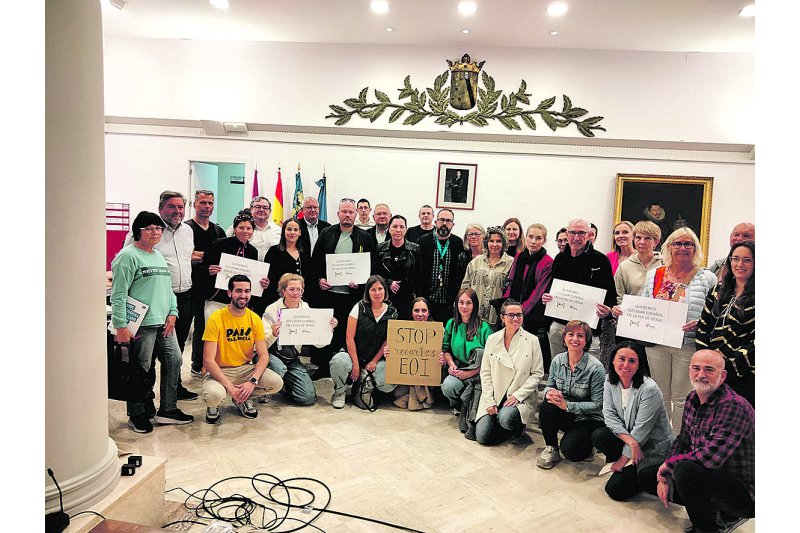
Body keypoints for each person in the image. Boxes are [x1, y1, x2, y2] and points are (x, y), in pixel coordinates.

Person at [642, 350, 755, 533]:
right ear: (689, 371)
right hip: (709, 476)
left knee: (685, 470)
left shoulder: (733, 406)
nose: (701, 375)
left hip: (744, 492)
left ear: (723, 375)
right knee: (648, 477)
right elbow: (682, 440)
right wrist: (667, 472)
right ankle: (715, 510)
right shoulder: (692, 398)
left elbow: (711, 458)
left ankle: (709, 527)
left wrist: (670, 466)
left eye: (709, 370)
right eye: (696, 368)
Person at [111, 211, 194, 433]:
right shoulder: (127, 256)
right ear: (138, 231)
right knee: (141, 370)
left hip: (164, 323)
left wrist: (173, 313)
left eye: (158, 228)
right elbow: (118, 294)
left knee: (175, 361)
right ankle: (137, 413)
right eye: (150, 228)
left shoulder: (157, 256)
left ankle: (168, 409)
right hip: (141, 325)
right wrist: (121, 326)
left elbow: (168, 290)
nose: (156, 232)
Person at [639, 228, 717, 433]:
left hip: (687, 344)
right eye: (678, 244)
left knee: (683, 396)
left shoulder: (707, 278)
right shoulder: (654, 274)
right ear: (669, 247)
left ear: (695, 248)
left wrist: (701, 323)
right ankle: (662, 437)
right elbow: (645, 305)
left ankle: (678, 440)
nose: (683, 248)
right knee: (660, 392)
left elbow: (715, 312)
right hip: (657, 344)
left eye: (688, 244)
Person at [123, 190, 197, 400]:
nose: (177, 211)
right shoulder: (145, 233)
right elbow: (130, 261)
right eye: (171, 207)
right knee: (148, 356)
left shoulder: (188, 231)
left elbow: (185, 259)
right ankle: (146, 398)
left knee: (176, 350)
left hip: (181, 298)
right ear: (161, 208)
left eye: (180, 207)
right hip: (152, 303)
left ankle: (174, 390)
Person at [590, 341, 673, 501]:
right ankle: (626, 466)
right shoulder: (609, 380)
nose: (626, 365)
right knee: (599, 435)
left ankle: (634, 469)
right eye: (621, 359)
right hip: (633, 442)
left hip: (651, 447)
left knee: (615, 490)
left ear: (639, 364)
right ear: (613, 360)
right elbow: (609, 415)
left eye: (632, 361)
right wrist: (632, 444)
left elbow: (641, 430)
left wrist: (623, 458)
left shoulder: (649, 389)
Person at [201, 275, 284, 424]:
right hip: (219, 370)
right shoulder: (216, 318)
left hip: (245, 369)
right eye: (238, 291)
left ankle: (243, 398)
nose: (243, 295)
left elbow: (264, 355)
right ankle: (214, 406)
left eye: (247, 291)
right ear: (229, 293)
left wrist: (252, 382)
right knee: (213, 396)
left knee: (276, 382)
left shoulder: (254, 318)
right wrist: (230, 387)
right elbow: (208, 360)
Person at [311, 198, 375, 378]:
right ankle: (323, 366)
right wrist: (319, 279)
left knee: (347, 332)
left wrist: (361, 282)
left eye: (350, 212)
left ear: (356, 214)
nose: (347, 215)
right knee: (325, 330)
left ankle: (344, 367)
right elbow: (315, 261)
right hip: (328, 293)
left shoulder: (365, 237)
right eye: (344, 211)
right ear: (338, 213)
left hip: (352, 296)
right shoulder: (326, 233)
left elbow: (371, 266)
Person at [542, 218, 616, 360]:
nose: (576, 237)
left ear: (589, 235)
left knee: (587, 372)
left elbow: (611, 295)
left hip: (589, 327)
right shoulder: (559, 259)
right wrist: (548, 298)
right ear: (567, 234)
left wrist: (608, 310)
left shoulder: (601, 260)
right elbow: (553, 288)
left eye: (581, 233)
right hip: (560, 325)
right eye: (572, 233)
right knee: (559, 366)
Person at [536, 320, 605, 469]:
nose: (575, 339)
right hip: (566, 411)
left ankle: (589, 444)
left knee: (571, 452)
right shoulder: (557, 360)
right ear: (564, 337)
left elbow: (598, 406)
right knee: (546, 407)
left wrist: (568, 405)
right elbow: (549, 385)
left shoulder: (596, 368)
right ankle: (551, 448)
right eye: (571, 334)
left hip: (587, 417)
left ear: (586, 341)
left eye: (580, 335)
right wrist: (549, 393)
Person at [475, 300, 544, 446]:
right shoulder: (492, 339)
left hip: (517, 397)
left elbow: (537, 374)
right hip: (495, 395)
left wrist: (518, 396)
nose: (515, 319)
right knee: (483, 437)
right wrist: (489, 399)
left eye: (519, 315)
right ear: (502, 317)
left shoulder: (532, 341)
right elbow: (485, 371)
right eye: (511, 315)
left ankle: (516, 428)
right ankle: (503, 426)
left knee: (506, 418)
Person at [263, 273, 337, 406]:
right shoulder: (272, 309)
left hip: (292, 358)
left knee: (307, 398)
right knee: (279, 368)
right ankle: (266, 389)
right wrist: (273, 334)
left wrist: (327, 329)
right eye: (291, 289)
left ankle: (286, 385)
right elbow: (261, 344)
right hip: (271, 355)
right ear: (283, 291)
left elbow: (318, 344)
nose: (295, 293)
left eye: (299, 289)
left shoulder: (306, 309)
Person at [695, 241, 755, 406]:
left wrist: (728, 365)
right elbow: (703, 325)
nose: (740, 264)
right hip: (711, 371)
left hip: (743, 373)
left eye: (747, 260)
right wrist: (707, 360)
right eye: (735, 259)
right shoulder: (718, 289)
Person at [330, 275, 398, 409]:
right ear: (368, 292)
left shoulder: (392, 312)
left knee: (388, 382)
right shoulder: (359, 307)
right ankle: (340, 391)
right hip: (353, 354)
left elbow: (388, 340)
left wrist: (374, 361)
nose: (377, 293)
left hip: (375, 358)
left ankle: (363, 385)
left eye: (380, 289)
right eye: (373, 290)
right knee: (338, 361)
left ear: (385, 290)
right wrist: (355, 364)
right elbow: (349, 337)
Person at [186, 190, 227, 377]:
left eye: (210, 203)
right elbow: (184, 256)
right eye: (203, 203)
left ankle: (213, 362)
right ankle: (197, 364)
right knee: (199, 326)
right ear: (194, 205)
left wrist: (199, 255)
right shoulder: (186, 229)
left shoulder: (218, 231)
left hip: (214, 288)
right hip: (191, 286)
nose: (207, 207)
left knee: (213, 326)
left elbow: (224, 257)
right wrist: (207, 257)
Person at [504, 223, 554, 370]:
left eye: (538, 238)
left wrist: (519, 313)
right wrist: (506, 307)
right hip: (513, 309)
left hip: (533, 315)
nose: (533, 241)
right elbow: (511, 281)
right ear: (525, 237)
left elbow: (538, 292)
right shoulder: (519, 256)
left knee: (528, 355)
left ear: (544, 240)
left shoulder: (547, 262)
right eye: (530, 237)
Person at [438, 288, 493, 412]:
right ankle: (457, 405)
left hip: (479, 371)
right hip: (459, 368)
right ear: (456, 304)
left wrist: (470, 373)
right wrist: (451, 365)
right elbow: (445, 349)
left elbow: (491, 359)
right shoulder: (451, 324)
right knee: (448, 386)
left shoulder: (484, 327)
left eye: (469, 303)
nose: (464, 306)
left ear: (475, 305)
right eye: (461, 302)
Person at [203, 210, 262, 320]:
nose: (245, 231)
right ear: (234, 229)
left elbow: (252, 278)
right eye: (241, 228)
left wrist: (261, 282)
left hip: (240, 303)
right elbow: (203, 267)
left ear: (253, 231)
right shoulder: (219, 244)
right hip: (216, 300)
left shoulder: (253, 251)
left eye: (249, 228)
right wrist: (209, 270)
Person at [372, 214, 423, 320]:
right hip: (385, 297)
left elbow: (419, 276)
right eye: (395, 226)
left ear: (406, 229)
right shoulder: (380, 248)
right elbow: (374, 272)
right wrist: (388, 282)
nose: (398, 230)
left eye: (401, 227)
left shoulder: (415, 249)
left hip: (408, 299)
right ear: (389, 229)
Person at [460, 226, 513, 327]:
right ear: (486, 242)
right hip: (475, 315)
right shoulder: (475, 262)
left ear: (504, 243)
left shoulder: (511, 263)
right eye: (491, 241)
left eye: (498, 241)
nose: (494, 244)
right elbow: (465, 287)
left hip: (497, 317)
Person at [418, 209, 464, 323]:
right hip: (426, 300)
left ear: (453, 224)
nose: (444, 223)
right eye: (441, 220)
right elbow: (418, 271)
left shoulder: (458, 243)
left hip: (448, 302)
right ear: (435, 222)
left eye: (448, 221)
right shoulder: (423, 241)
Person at [391, 297, 436, 410]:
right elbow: (397, 356)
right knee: (397, 393)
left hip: (429, 379)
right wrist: (389, 352)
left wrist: (441, 358)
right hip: (408, 378)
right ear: (411, 312)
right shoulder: (403, 330)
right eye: (416, 310)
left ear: (429, 312)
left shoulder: (438, 330)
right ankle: (422, 398)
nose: (420, 314)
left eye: (424, 311)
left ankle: (420, 397)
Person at [261, 218, 311, 312]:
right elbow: (267, 276)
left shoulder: (305, 253)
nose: (292, 232)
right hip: (277, 300)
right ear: (283, 231)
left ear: (300, 233)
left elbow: (308, 277)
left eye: (296, 230)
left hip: (298, 300)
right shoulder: (273, 252)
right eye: (289, 229)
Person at [296, 196, 331, 307]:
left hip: (321, 276)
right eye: (309, 207)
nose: (312, 210)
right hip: (302, 274)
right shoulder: (296, 226)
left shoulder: (327, 227)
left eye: (315, 207)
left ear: (319, 209)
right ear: (302, 210)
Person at [226, 196, 281, 261]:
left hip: (272, 269)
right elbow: (225, 245)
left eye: (265, 207)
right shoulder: (238, 228)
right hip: (245, 268)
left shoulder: (278, 230)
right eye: (258, 207)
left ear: (270, 211)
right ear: (251, 209)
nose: (261, 210)